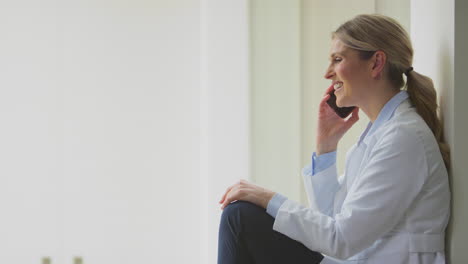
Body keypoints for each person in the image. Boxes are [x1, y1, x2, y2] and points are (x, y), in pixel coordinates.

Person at [217, 14, 451, 264]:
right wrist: (326, 146)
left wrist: (268, 199)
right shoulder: (382, 134)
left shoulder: (404, 137)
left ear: (376, 63)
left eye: (337, 60)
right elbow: (332, 220)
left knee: (240, 217)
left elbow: (341, 240)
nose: (328, 74)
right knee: (240, 215)